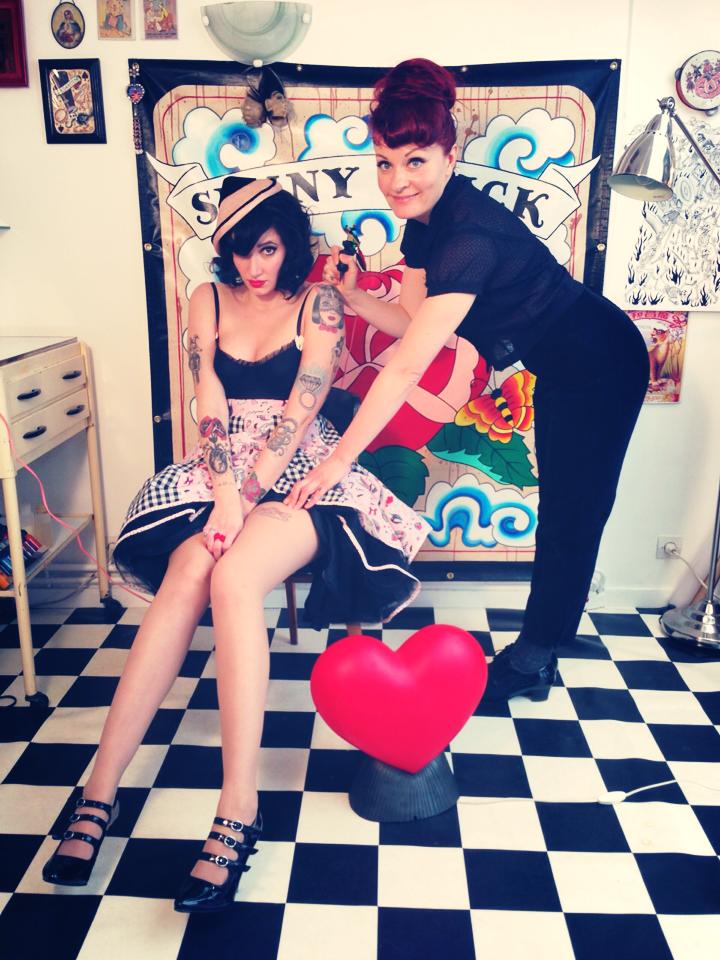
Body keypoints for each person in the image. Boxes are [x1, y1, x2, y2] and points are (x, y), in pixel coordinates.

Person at [42, 176, 429, 910]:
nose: (255, 266)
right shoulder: (207, 299)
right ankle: (98, 790)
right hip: (220, 469)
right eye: (241, 251)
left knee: (234, 578)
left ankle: (238, 807)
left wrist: (250, 496)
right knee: (190, 570)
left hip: (301, 468)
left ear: (291, 244)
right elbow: (207, 396)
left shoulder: (319, 301)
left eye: (269, 249)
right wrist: (225, 493)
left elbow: (304, 402)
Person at [285, 59, 649, 704]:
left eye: (415, 161)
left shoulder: (469, 236)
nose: (397, 181)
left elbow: (407, 366)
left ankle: (535, 657)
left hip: (603, 362)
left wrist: (338, 461)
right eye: (384, 162)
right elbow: (411, 324)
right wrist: (356, 296)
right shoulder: (426, 224)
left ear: (449, 157)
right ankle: (546, 642)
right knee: (566, 506)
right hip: (564, 363)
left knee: (573, 509)